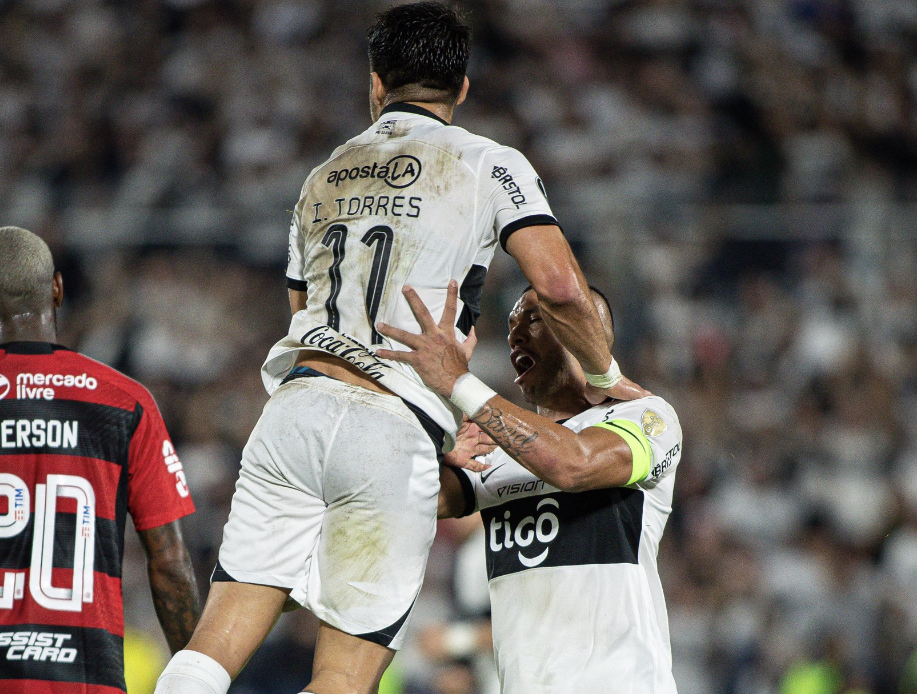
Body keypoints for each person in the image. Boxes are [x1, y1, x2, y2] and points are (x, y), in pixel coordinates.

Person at [157, 4, 645, 694]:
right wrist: (605, 375)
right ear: (464, 88)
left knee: (213, 645)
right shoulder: (487, 162)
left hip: (294, 411)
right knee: (341, 677)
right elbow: (562, 287)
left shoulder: (324, 173)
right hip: (390, 424)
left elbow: (302, 312)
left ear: (376, 83)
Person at [0, 227, 201, 693]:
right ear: (58, 290)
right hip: (85, 678)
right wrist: (201, 680)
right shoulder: (127, 404)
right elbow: (170, 564)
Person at [376, 283, 681, 693]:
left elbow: (574, 464)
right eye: (511, 325)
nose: (515, 334)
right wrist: (437, 440)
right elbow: (412, 500)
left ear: (588, 333)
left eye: (535, 319)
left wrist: (460, 383)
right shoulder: (498, 446)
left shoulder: (645, 416)